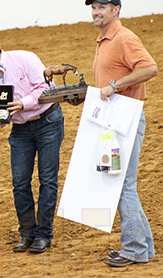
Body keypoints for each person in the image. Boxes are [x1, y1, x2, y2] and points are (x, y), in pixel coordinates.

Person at [0, 30, 64, 254]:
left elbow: (46, 88)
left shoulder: (24, 59)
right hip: (20, 129)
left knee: (47, 179)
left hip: (48, 121)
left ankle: (43, 234)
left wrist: (23, 103)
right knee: (20, 183)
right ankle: (27, 233)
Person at [84, 0, 158, 267]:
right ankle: (143, 248)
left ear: (116, 9)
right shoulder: (103, 40)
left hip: (125, 119)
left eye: (102, 6)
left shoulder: (124, 37)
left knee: (122, 185)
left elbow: (150, 68)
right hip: (113, 120)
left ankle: (134, 249)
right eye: (93, 6)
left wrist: (115, 85)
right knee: (122, 185)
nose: (96, 11)